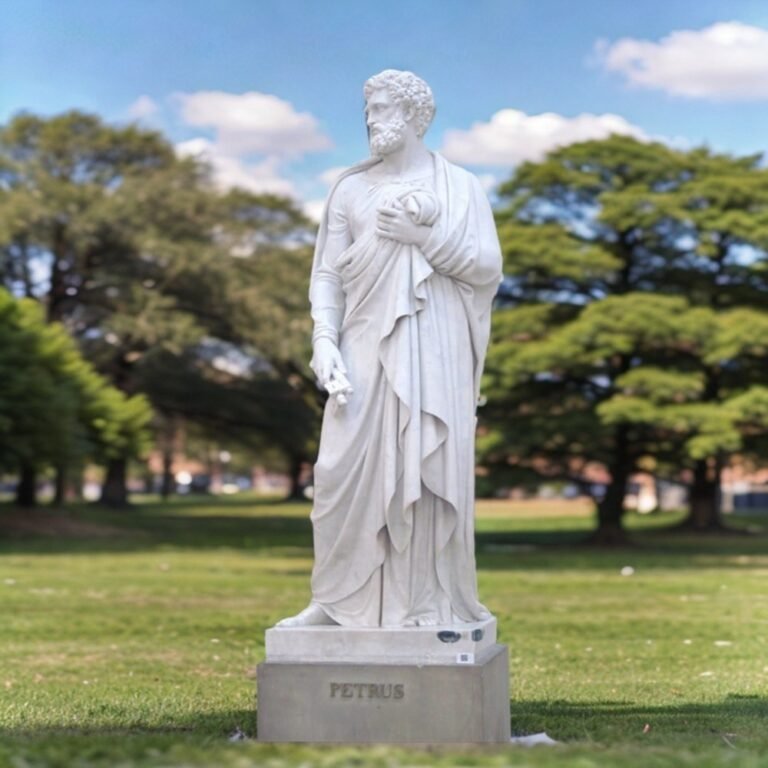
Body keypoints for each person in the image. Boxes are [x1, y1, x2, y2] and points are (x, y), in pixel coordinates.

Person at [278, 69, 502, 628]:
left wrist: (423, 238)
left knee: (423, 464)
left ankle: (425, 602)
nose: (370, 119)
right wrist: (323, 339)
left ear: (413, 115)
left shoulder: (461, 187)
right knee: (337, 470)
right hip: (360, 339)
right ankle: (333, 599)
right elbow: (327, 275)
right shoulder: (349, 189)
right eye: (368, 109)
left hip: (434, 342)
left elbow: (487, 267)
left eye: (379, 108)